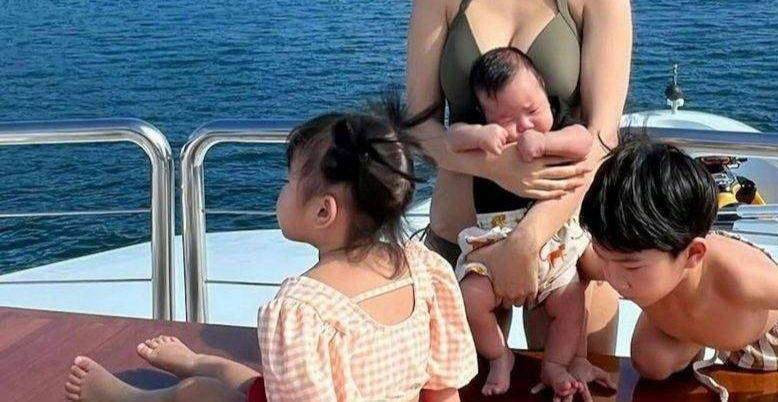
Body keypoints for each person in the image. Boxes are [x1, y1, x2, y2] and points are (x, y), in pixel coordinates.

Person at [404, 0, 631, 391]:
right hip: (458, 246)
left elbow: (603, 135)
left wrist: (527, 242)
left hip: (566, 247)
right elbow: (419, 124)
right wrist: (497, 165)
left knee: (572, 384)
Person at [64, 98, 477, 402]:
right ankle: (193, 360)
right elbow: (443, 390)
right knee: (251, 381)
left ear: (323, 212)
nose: (281, 192)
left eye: (288, 182)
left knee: (199, 393)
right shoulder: (425, 270)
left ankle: (122, 395)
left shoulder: (302, 311)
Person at [581, 135, 778, 402]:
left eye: (631, 266)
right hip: (683, 319)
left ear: (692, 254)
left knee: (769, 387)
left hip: (754, 334)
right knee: (649, 362)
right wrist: (572, 358)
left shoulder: (743, 281)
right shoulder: (623, 259)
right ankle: (695, 341)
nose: (612, 276)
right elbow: (575, 271)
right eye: (603, 255)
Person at [448, 47, 602, 396]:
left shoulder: (558, 121)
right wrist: (480, 137)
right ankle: (499, 356)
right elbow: (453, 137)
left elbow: (584, 141)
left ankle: (555, 364)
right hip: (493, 242)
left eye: (532, 111)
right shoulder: (480, 130)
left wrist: (546, 141)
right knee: (471, 298)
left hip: (551, 243)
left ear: (545, 91)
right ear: (484, 117)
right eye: (506, 121)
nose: (524, 126)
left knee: (572, 303)